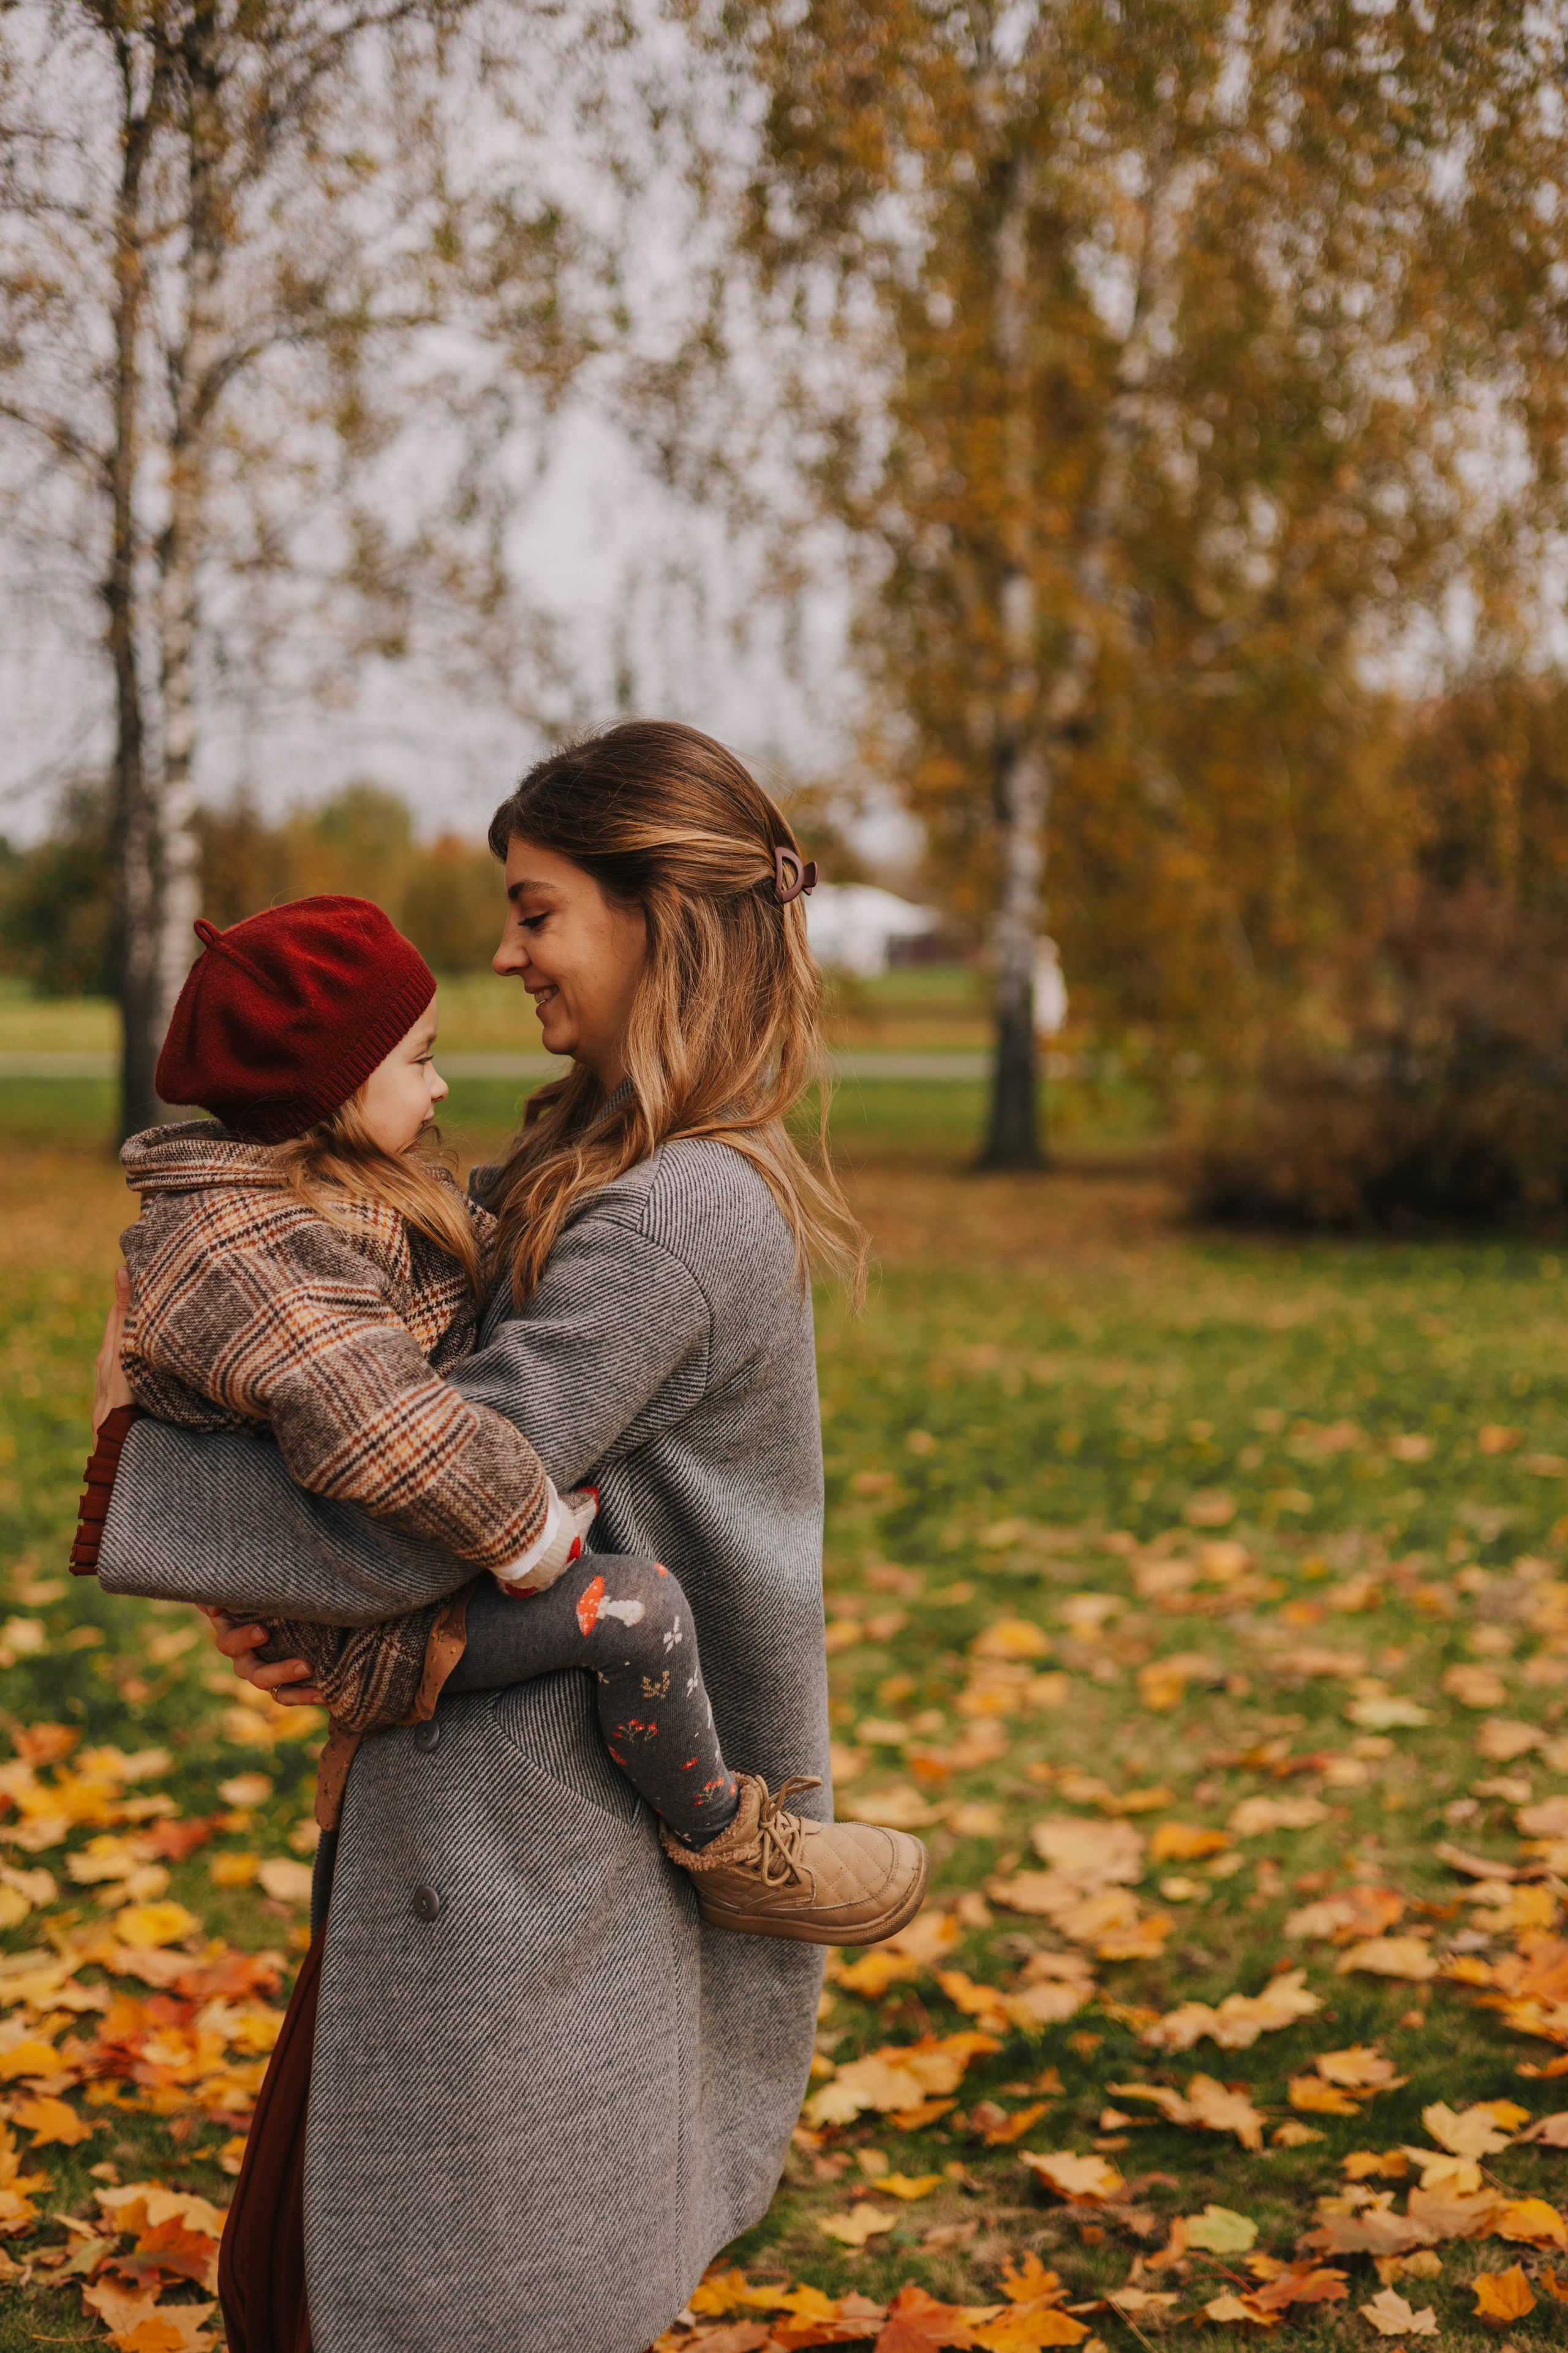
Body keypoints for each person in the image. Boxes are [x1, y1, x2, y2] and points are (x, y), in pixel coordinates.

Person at [86, 722, 917, 2353]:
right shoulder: (582, 1159)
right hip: (491, 1825)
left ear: (652, 917)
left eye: (538, 909)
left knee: (412, 2295)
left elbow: (419, 1509)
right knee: (327, 2273)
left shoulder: (677, 1214)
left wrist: (160, 1503)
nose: (504, 949)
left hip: (544, 1851)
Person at [82, 892, 922, 1943]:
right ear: (332, 1088)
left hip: (397, 1639)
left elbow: (453, 1284)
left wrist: (196, 1527)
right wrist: (527, 1535)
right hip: (400, 1625)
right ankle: (731, 1843)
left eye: (535, 910)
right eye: (417, 1061)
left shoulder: (352, 1199)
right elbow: (380, 1430)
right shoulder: (258, 1245)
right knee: (631, 1609)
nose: (438, 1087)